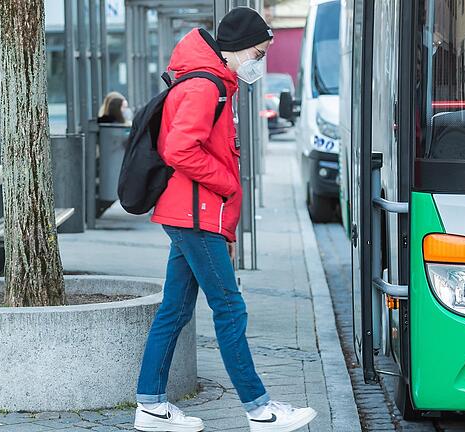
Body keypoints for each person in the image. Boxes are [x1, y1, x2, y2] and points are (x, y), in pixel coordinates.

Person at [133, 8, 317, 432]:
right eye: (258, 52)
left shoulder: (214, 82)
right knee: (229, 309)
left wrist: (225, 225)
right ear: (235, 48)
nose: (260, 61)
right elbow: (181, 150)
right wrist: (228, 185)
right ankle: (260, 410)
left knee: (174, 311)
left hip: (193, 216)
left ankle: (151, 406)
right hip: (194, 215)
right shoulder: (205, 85)